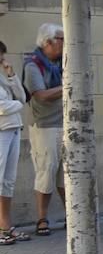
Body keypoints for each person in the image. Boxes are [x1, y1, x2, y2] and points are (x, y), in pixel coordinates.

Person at [23, 23, 65, 236]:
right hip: (45, 126)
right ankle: (42, 218)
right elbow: (41, 95)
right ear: (47, 42)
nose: (64, 43)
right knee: (46, 171)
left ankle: (73, 215)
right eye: (61, 39)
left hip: (67, 124)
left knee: (67, 174)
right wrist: (68, 85)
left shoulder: (63, 63)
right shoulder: (33, 65)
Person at [0, 41, 29, 244]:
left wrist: (11, 76)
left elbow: (22, 95)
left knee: (8, 181)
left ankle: (5, 227)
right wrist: (19, 104)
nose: (3, 59)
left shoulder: (2, 77)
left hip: (13, 130)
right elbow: (2, 107)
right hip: (1, 131)